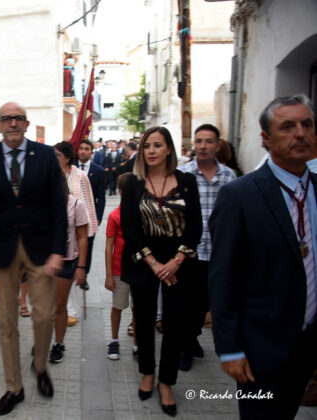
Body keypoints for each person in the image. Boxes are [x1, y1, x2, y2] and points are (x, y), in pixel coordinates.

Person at [208, 94, 317, 419]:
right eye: (288, 127)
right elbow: (223, 278)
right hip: (261, 347)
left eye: (307, 124)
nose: (300, 134)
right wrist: (230, 348)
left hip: (309, 342)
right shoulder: (239, 195)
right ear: (266, 139)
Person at [0, 102, 67, 416]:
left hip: (40, 249)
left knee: (44, 316)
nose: (12, 123)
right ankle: (14, 387)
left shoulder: (46, 156)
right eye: (7, 119)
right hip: (1, 249)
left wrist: (58, 250)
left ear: (26, 124)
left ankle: (40, 366)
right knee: (7, 323)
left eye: (18, 118)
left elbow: (58, 207)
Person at [120, 126, 202, 417]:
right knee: (143, 321)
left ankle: (166, 382)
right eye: (146, 146)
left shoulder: (187, 181)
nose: (151, 151)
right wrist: (154, 263)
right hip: (143, 259)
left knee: (174, 323)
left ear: (169, 149)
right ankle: (147, 373)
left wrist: (175, 261)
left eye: (157, 145)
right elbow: (129, 227)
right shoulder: (133, 182)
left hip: (178, 261)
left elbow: (195, 226)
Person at [176, 123, 235, 371]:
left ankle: (192, 337)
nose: (203, 146)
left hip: (217, 250)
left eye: (209, 141)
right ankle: (185, 347)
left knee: (206, 302)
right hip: (189, 250)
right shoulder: (182, 173)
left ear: (217, 146)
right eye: (199, 141)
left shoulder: (228, 177)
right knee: (187, 300)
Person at [54, 141, 96, 329]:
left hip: (77, 228)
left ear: (67, 157)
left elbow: (88, 203)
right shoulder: (50, 174)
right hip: (57, 232)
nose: (55, 159)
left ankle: (71, 311)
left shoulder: (80, 176)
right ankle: (61, 308)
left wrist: (89, 231)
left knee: (72, 270)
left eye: (58, 155)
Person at [49, 176, 89, 363]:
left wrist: (81, 267)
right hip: (44, 261)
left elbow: (82, 237)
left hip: (66, 262)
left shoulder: (76, 205)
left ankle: (59, 343)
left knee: (59, 305)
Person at [105, 173, 138, 361]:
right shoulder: (114, 216)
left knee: (137, 308)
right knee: (117, 305)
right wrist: (109, 275)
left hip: (139, 268)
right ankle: (114, 339)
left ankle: (137, 344)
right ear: (120, 192)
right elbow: (108, 246)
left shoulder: (141, 214)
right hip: (119, 269)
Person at [74, 139, 106, 273]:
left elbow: (101, 197)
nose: (83, 151)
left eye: (86, 149)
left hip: (89, 216)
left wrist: (98, 217)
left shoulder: (98, 171)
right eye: (81, 148)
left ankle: (84, 274)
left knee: (88, 245)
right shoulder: (71, 168)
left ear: (92, 152)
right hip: (72, 214)